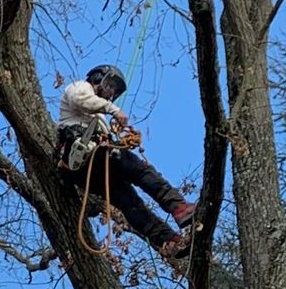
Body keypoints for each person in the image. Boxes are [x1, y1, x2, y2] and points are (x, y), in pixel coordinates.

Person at [55, 64, 196, 257]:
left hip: (90, 169)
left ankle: (168, 241)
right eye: (110, 86)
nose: (111, 94)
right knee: (141, 170)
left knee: (130, 203)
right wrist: (114, 110)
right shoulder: (79, 87)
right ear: (99, 77)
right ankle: (179, 207)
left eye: (114, 92)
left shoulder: (97, 115)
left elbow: (94, 108)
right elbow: (81, 99)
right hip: (89, 153)